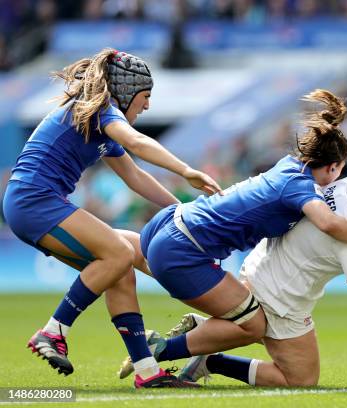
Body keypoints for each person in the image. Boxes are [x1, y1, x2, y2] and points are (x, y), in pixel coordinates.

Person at [117, 92, 347, 378]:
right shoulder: (318, 202)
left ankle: (204, 334)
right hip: (230, 268)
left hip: (200, 234)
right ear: (334, 167)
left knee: (249, 323)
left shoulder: (310, 176)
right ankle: (180, 350)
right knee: (275, 352)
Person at [2, 48, 221, 388]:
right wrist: (186, 170)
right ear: (128, 92)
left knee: (123, 267)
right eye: (145, 97)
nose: (147, 106)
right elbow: (136, 142)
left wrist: (181, 210)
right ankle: (52, 332)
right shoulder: (105, 111)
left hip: (32, 203)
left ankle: (148, 372)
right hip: (35, 201)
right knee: (118, 253)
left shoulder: (96, 120)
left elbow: (135, 177)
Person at [147, 143, 347, 387]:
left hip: (263, 266)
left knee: (269, 340)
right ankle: (206, 356)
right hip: (281, 296)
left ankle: (208, 335)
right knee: (300, 378)